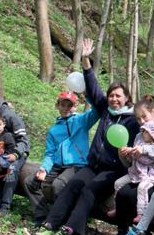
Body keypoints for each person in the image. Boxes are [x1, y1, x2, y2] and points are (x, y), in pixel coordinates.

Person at [36, 39, 139, 235]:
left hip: (114, 170)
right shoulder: (105, 111)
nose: (113, 99)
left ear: (127, 99)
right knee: (73, 184)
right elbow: (93, 90)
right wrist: (86, 62)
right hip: (93, 164)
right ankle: (51, 224)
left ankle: (71, 230)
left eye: (118, 96)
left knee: (89, 190)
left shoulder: (133, 120)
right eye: (111, 95)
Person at [23, 91, 99, 227]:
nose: (66, 108)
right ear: (57, 106)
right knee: (30, 182)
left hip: (77, 165)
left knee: (58, 185)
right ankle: (42, 216)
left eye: (69, 106)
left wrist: (87, 93)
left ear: (75, 107)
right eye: (62, 105)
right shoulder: (54, 130)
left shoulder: (81, 121)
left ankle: (64, 221)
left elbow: (97, 110)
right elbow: (50, 153)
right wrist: (44, 169)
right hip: (58, 166)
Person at [111, 96, 154, 235]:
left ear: (153, 112)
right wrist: (125, 154)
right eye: (138, 119)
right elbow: (131, 163)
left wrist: (146, 150)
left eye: (144, 117)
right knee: (122, 190)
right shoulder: (139, 136)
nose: (141, 122)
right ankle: (122, 233)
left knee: (132, 195)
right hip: (139, 174)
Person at [111, 118, 154, 223]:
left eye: (145, 131)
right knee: (118, 183)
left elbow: (147, 161)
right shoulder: (140, 142)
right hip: (136, 173)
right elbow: (134, 160)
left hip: (151, 176)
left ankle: (141, 213)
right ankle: (117, 208)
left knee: (142, 188)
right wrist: (128, 154)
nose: (142, 133)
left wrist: (137, 153)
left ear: (153, 133)